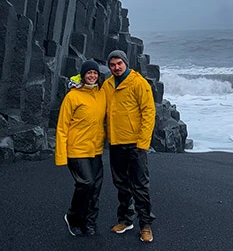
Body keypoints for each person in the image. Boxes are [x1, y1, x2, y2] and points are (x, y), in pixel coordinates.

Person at [103, 50, 157, 243]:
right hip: (116, 142)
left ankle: (145, 225)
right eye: (112, 65)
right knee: (121, 184)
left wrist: (143, 142)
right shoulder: (107, 84)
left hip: (135, 143)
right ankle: (126, 219)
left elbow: (149, 112)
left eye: (119, 63)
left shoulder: (138, 82)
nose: (116, 67)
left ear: (125, 63)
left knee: (140, 186)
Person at [55, 59, 107, 237]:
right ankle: (73, 217)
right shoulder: (73, 96)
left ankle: (89, 222)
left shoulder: (102, 93)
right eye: (88, 73)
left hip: (96, 149)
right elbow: (62, 127)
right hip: (77, 149)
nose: (92, 76)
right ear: (83, 75)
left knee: (95, 188)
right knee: (86, 183)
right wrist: (61, 156)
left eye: (95, 73)